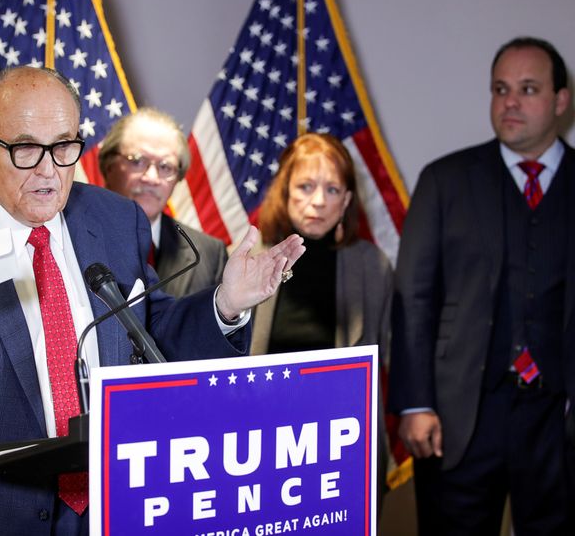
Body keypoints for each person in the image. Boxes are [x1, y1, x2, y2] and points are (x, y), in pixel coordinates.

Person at [0, 66, 305, 535]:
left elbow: (150, 329)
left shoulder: (116, 218)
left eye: (63, 146)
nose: (48, 170)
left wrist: (227, 301)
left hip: (105, 506)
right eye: (25, 149)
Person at [389, 37, 575, 535]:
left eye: (528, 88)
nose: (510, 102)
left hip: (559, 420)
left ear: (561, 100)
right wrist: (415, 402)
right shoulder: (445, 181)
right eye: (500, 89)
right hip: (459, 420)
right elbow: (413, 299)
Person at [251, 132, 393, 511]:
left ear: (346, 200)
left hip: (344, 447)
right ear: (285, 191)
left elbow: (396, 354)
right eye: (306, 186)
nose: (318, 201)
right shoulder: (247, 259)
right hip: (261, 448)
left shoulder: (372, 267)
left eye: (332, 189)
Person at [99, 108, 227, 297]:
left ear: (178, 178)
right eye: (137, 161)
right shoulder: (71, 235)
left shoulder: (209, 254)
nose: (151, 178)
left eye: (165, 167)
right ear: (109, 166)